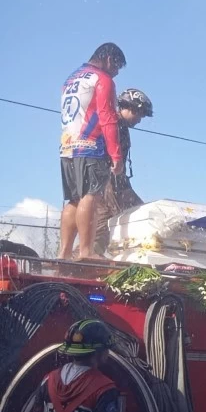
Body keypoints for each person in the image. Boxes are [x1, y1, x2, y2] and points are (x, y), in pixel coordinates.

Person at [59, 43, 126, 261]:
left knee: (73, 199)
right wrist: (116, 154)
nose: (116, 71)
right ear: (108, 58)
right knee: (91, 196)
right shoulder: (103, 80)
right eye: (116, 65)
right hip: (91, 145)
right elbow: (107, 117)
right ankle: (86, 252)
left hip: (67, 145)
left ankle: (64, 252)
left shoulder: (72, 78)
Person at [93, 88, 153, 255]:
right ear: (131, 108)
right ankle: (79, 264)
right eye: (139, 114)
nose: (140, 119)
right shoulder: (112, 124)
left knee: (141, 214)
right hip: (104, 182)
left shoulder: (122, 127)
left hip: (118, 182)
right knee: (104, 226)